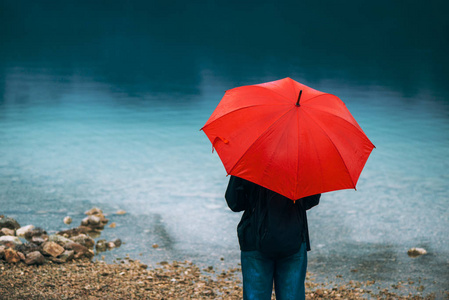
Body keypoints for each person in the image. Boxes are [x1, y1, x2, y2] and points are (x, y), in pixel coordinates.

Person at [225, 175, 320, 300]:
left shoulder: (250, 160)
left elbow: (234, 202)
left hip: (255, 238)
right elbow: (311, 199)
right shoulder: (304, 163)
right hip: (293, 236)